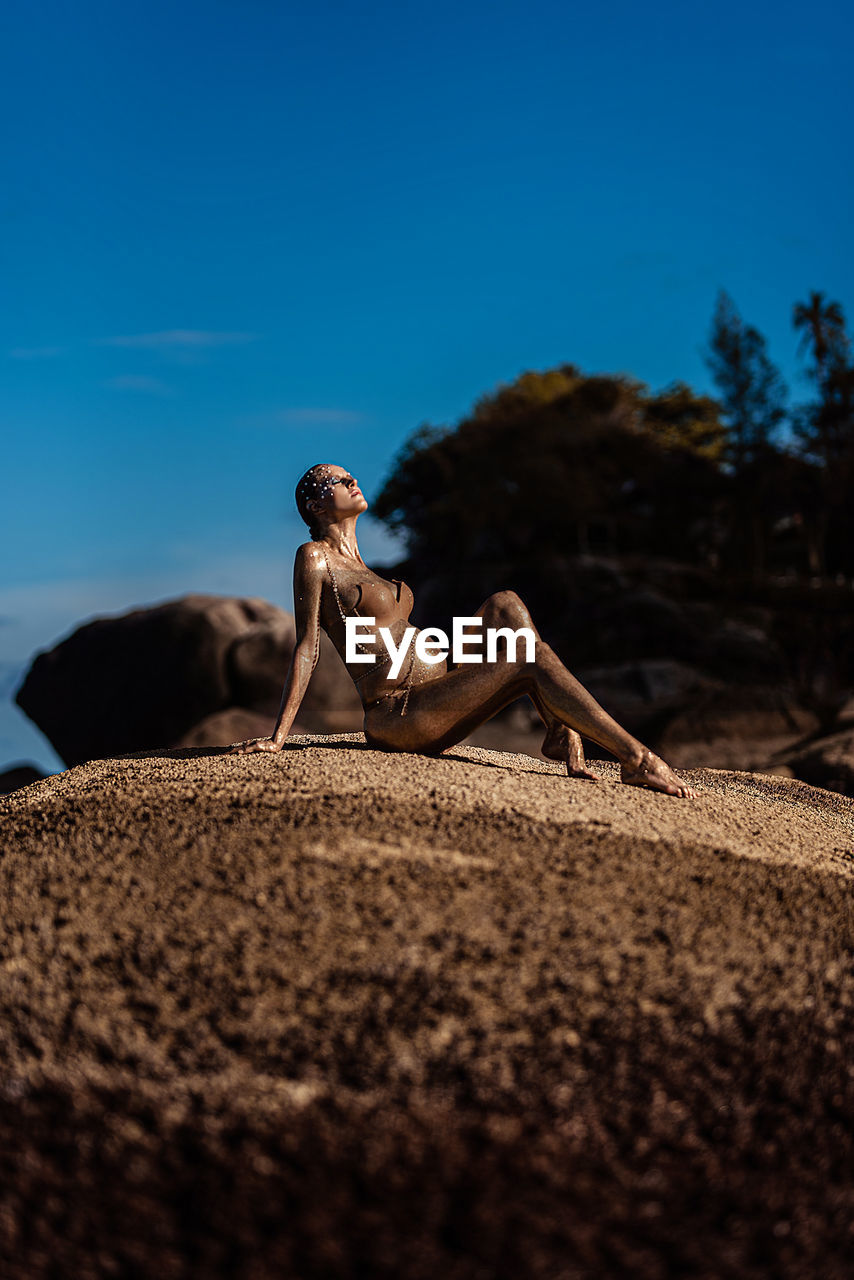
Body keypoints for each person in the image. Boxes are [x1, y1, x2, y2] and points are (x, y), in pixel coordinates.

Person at [229, 463, 698, 798]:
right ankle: (637, 759)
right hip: (400, 711)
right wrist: (278, 738)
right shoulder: (315, 559)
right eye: (336, 480)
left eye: (350, 474)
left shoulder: (365, 565)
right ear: (315, 505)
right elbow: (308, 647)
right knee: (526, 656)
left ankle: (559, 729)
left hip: (439, 681)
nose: (352, 480)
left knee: (505, 605)